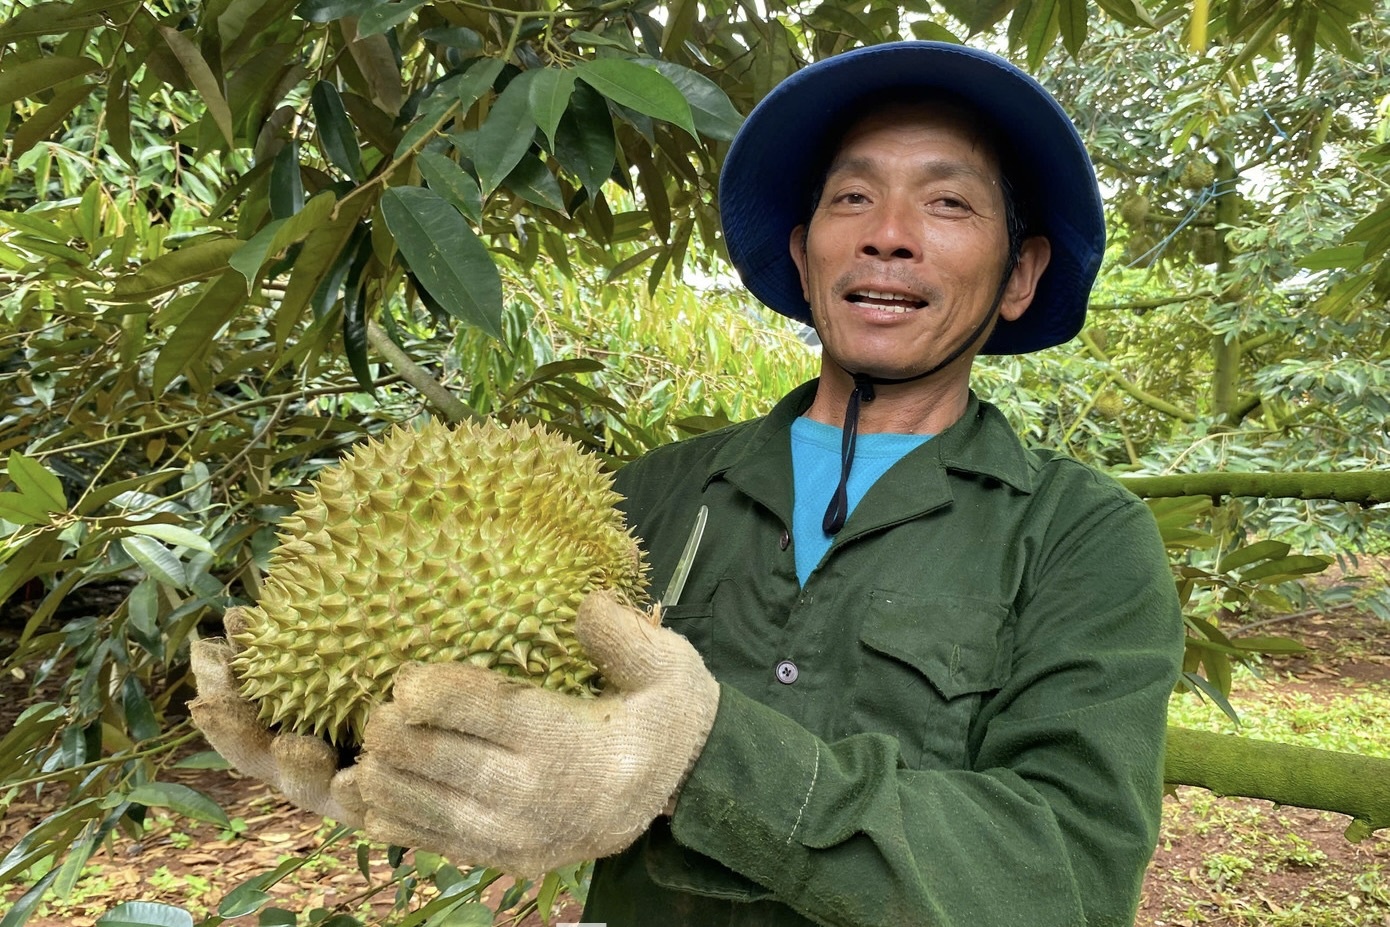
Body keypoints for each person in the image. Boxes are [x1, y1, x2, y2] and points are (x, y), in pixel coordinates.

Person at [191, 41, 1185, 927]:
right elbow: (496, 708)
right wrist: (370, 754)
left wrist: (690, 759)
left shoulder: (1081, 537)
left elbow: (1069, 877)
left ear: (1021, 274)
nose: (888, 233)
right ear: (801, 252)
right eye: (850, 198)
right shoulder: (647, 496)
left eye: (949, 202)